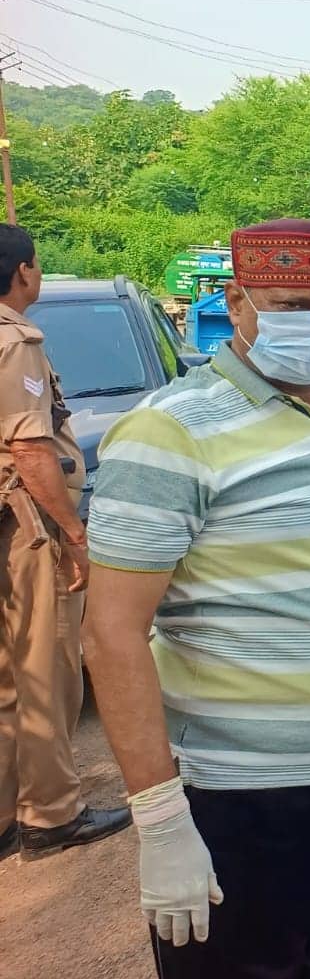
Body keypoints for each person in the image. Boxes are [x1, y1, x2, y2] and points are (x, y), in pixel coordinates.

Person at [83, 219, 310, 979]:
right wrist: (162, 821)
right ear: (237, 303)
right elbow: (110, 635)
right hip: (243, 801)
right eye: (293, 301)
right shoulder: (170, 431)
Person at [0, 223, 131, 863]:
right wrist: (73, 535)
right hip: (27, 528)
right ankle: (52, 813)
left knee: (5, 675)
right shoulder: (16, 340)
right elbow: (29, 447)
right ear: (24, 272)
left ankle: (6, 810)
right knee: (45, 669)